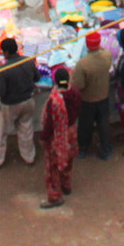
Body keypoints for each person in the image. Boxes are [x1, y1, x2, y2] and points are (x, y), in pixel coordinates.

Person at [0, 36, 38, 167]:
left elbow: (0, 92)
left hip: (10, 105)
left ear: (5, 52)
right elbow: (37, 77)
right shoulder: (28, 61)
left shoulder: (4, 71)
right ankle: (29, 157)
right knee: (26, 130)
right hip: (28, 101)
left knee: (1, 132)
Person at [39, 64, 78, 208]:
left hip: (57, 136)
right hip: (71, 132)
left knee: (52, 166)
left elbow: (50, 124)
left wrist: (43, 137)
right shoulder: (75, 93)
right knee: (68, 160)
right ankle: (66, 185)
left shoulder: (54, 101)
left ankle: (55, 196)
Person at [73, 31, 114, 162]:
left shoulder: (82, 64)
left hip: (88, 100)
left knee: (85, 126)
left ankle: (83, 149)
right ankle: (105, 150)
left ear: (86, 44)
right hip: (103, 97)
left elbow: (78, 85)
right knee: (103, 125)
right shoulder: (107, 56)